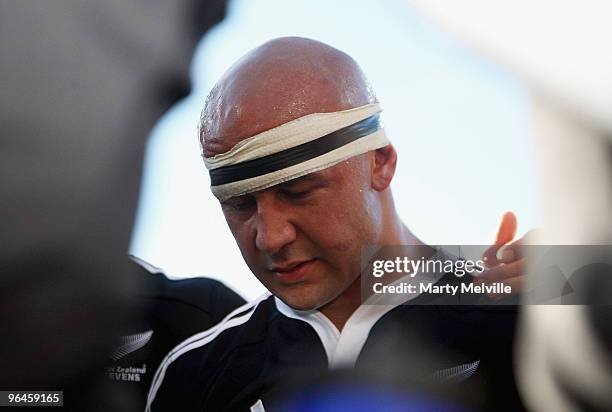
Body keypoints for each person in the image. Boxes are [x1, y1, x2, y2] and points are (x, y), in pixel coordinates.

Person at [147, 37, 528, 411]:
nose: (270, 237)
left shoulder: (527, 321)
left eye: (298, 191)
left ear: (380, 162)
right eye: (240, 205)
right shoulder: (194, 373)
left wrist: (579, 297)